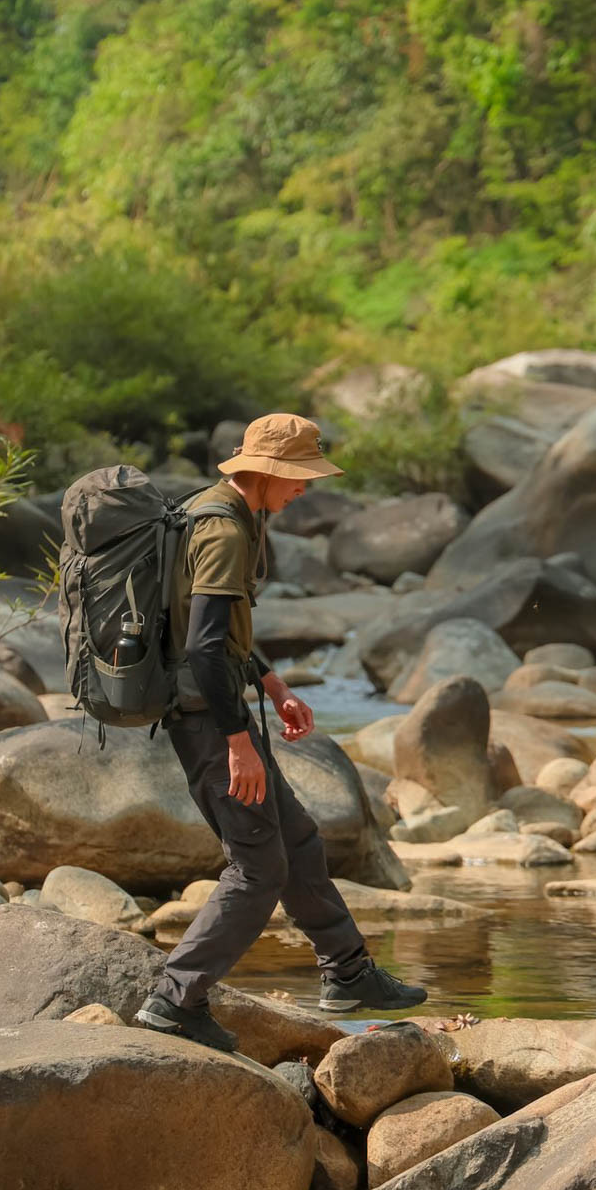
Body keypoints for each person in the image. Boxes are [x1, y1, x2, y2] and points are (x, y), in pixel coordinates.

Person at [135, 413, 427, 1051]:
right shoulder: (223, 530)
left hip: (218, 713)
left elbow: (222, 634)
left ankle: (349, 973)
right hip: (209, 724)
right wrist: (239, 742)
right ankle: (174, 999)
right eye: (298, 480)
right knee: (258, 869)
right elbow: (205, 648)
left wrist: (274, 686)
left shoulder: (222, 512)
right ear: (266, 472)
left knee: (297, 839)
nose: (303, 492)